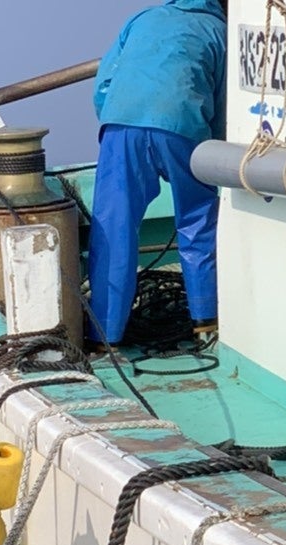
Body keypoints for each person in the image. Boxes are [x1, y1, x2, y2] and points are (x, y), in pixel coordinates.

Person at [88, 0, 227, 347]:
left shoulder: (142, 19)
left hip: (121, 125)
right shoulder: (220, 32)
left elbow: (104, 86)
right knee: (197, 220)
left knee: (114, 227)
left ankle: (105, 333)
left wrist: (120, 121)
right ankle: (206, 324)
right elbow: (224, 105)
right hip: (184, 127)